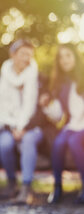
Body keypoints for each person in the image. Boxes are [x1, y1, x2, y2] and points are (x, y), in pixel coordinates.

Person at [0, 39, 43, 204]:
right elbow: (0, 108)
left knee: (28, 141)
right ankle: (11, 184)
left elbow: (33, 108)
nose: (26, 58)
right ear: (12, 55)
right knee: (5, 144)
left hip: (32, 126)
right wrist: (12, 127)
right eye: (23, 53)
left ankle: (26, 189)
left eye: (29, 54)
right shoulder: (5, 73)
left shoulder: (36, 75)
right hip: (8, 125)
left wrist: (22, 127)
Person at [39, 43, 84, 204]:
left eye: (68, 56)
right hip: (73, 124)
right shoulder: (60, 84)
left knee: (73, 141)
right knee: (58, 143)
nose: (64, 60)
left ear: (75, 58)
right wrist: (47, 105)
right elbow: (58, 116)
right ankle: (58, 187)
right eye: (61, 57)